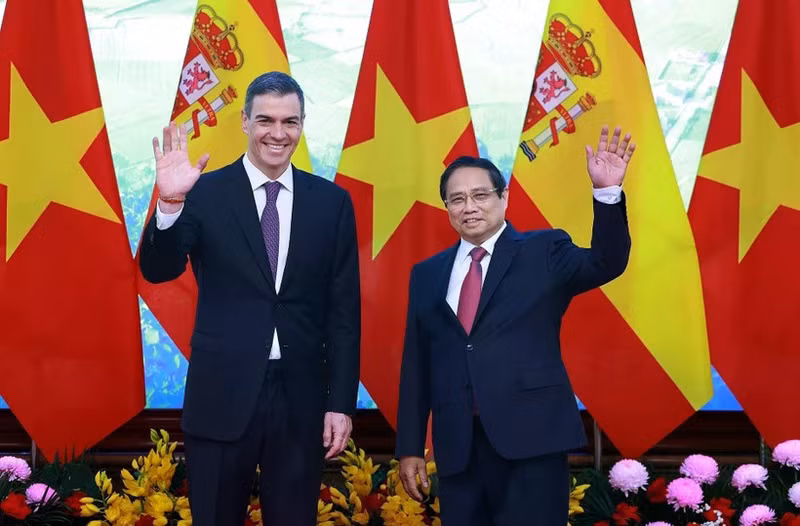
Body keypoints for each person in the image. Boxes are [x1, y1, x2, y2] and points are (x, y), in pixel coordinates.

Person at [139, 71, 360, 525]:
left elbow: (344, 313)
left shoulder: (332, 203)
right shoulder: (202, 193)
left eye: (290, 122)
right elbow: (158, 271)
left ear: (302, 124)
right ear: (244, 121)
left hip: (302, 400)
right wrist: (169, 205)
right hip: (221, 395)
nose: (277, 134)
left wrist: (340, 401)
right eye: (265, 120)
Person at [395, 126, 635, 525]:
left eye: (480, 195)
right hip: (459, 449)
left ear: (503, 197)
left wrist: (607, 193)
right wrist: (409, 447)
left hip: (532, 442)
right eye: (457, 199)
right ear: (447, 208)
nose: (469, 206)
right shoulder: (427, 273)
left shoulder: (544, 251)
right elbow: (417, 364)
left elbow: (605, 262)